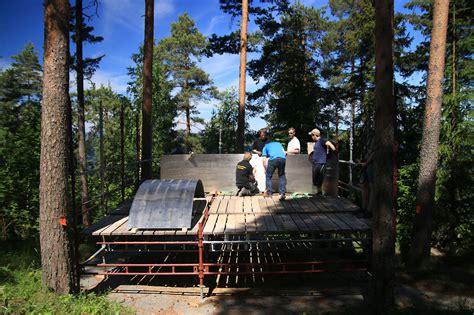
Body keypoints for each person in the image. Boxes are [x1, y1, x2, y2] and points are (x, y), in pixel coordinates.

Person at [308, 128, 336, 195]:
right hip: (316, 162)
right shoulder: (316, 142)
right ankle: (319, 192)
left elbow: (329, 143)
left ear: (315, 135)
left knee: (319, 178)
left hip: (320, 162)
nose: (311, 137)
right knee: (315, 178)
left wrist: (334, 151)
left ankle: (320, 193)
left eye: (312, 135)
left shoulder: (322, 140)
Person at [261, 133, 287, 200]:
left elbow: (264, 159)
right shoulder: (279, 144)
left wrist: (265, 168)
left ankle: (269, 193)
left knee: (268, 176)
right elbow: (284, 152)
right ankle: (282, 193)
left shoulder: (266, 146)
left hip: (273, 160)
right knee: (281, 175)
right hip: (282, 159)